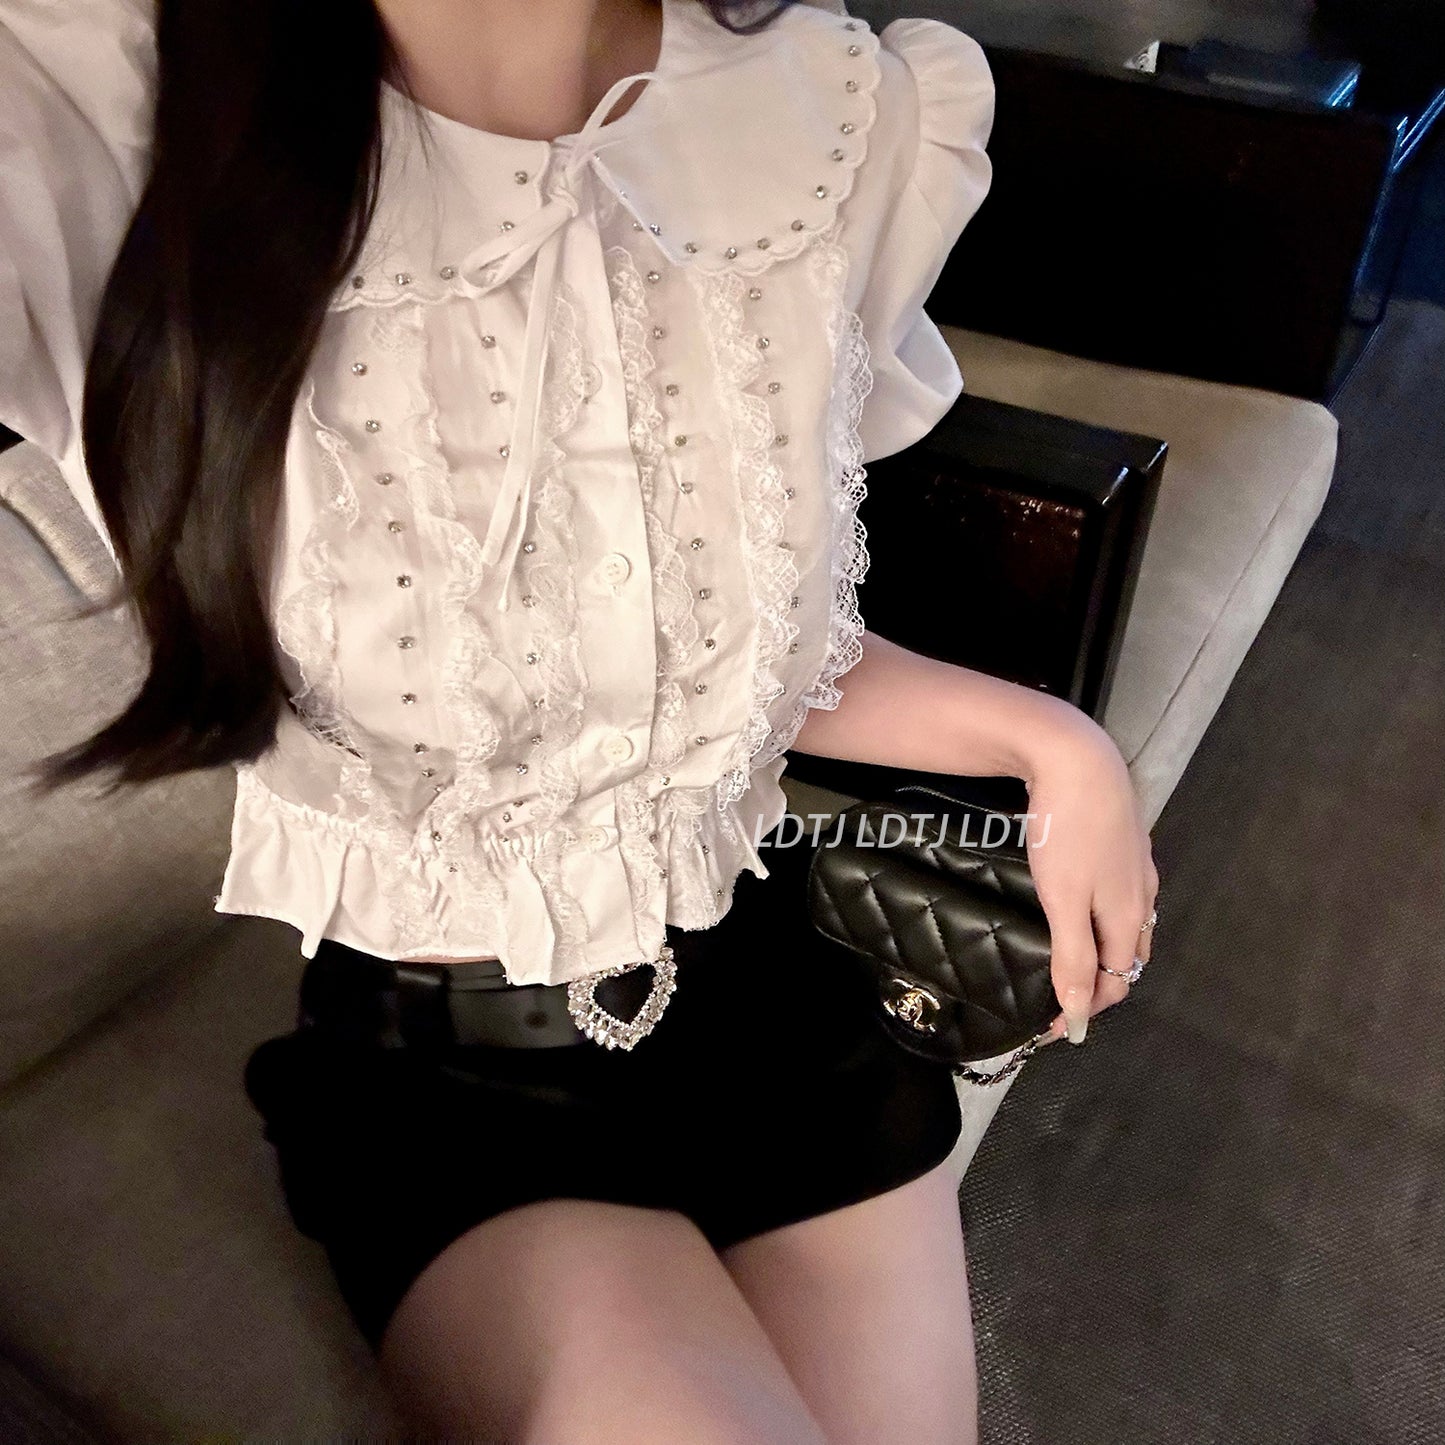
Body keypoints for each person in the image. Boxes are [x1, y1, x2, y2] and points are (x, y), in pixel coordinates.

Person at [1, 0, 1159, 1438]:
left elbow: (742, 660)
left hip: (765, 999)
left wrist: (1052, 743)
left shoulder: (831, 116)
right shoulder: (92, 105)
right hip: (454, 1077)